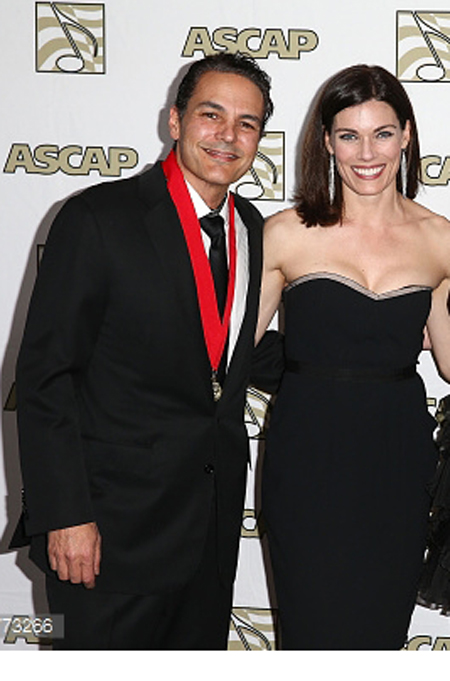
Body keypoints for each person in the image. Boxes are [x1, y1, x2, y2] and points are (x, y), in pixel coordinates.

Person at [10, 52, 278, 650]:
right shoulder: (97, 217)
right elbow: (47, 377)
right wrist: (64, 515)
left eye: (247, 123)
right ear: (175, 120)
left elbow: (231, 352)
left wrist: (368, 342)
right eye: (211, 115)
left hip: (208, 540)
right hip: (108, 538)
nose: (228, 135)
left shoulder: (255, 229)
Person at [256, 64, 450, 650]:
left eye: (383, 133)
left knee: (380, 635)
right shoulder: (285, 233)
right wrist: (311, 363)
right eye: (349, 135)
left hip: (399, 461)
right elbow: (230, 348)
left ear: (407, 135)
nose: (367, 154)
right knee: (311, 633)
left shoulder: (440, 239)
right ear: (326, 142)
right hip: (307, 456)